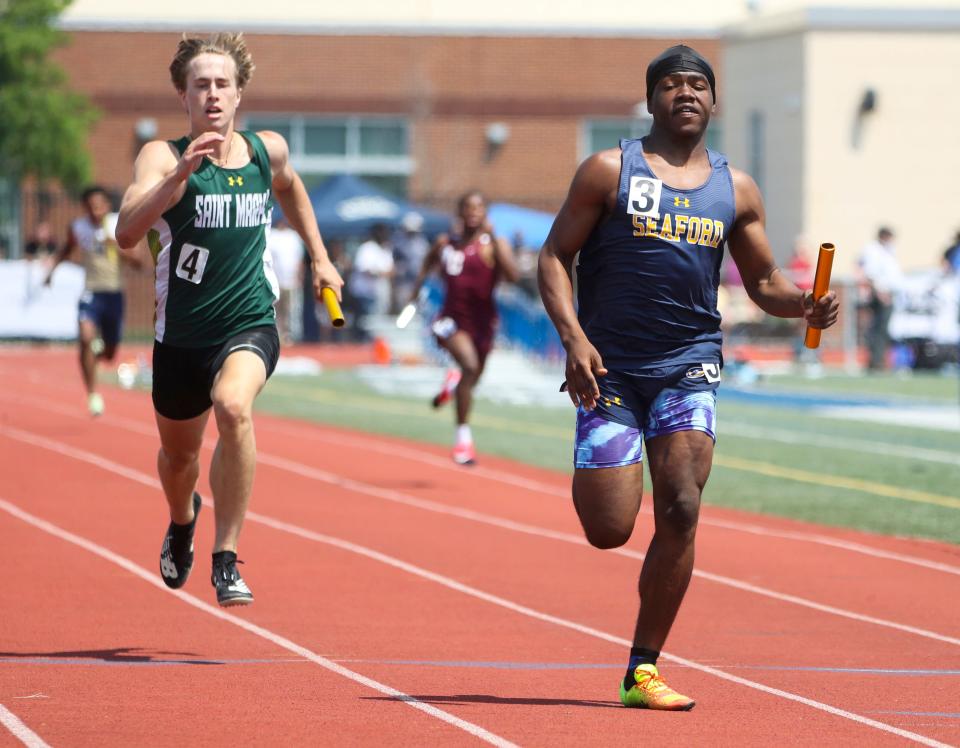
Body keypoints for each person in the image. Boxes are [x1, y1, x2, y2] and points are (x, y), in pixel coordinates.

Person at [537, 44, 838, 710]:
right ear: (651, 101)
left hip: (689, 365)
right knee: (608, 528)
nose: (686, 94)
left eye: (698, 85)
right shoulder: (608, 171)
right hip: (609, 369)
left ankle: (642, 669)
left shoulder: (737, 188)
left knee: (680, 506)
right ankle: (603, 455)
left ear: (713, 101)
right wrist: (574, 339)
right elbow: (555, 257)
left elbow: (763, 280)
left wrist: (803, 305)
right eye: (671, 85)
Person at [114, 33, 343, 607]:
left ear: (239, 93)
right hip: (181, 339)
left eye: (223, 84)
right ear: (182, 94)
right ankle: (182, 519)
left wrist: (319, 257)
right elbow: (125, 234)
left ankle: (226, 556)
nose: (212, 95)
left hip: (249, 321)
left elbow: (292, 191)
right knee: (180, 460)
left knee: (234, 407)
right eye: (201, 85)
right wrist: (176, 180)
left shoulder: (268, 152)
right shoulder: (161, 157)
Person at [408, 191, 519, 465]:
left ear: (485, 213)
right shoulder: (445, 243)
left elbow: (514, 276)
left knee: (472, 379)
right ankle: (463, 443)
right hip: (450, 320)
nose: (473, 212)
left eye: (479, 208)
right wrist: (416, 290)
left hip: (483, 323)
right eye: (467, 208)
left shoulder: (493, 244)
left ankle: (454, 383)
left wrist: (494, 239)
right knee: (469, 367)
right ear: (459, 212)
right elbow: (426, 264)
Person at [45, 186, 142, 416]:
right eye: (90, 206)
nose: (94, 211)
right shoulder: (79, 227)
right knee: (86, 337)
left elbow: (138, 262)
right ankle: (92, 393)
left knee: (110, 353)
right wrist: (51, 271)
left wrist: (116, 247)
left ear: (107, 206)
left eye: (99, 206)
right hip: (91, 291)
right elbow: (67, 250)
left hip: (114, 293)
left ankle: (93, 357)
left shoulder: (119, 224)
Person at [858, 227, 902, 370]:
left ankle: (879, 360)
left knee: (883, 329)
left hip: (888, 293)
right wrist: (880, 293)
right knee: (878, 329)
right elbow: (871, 274)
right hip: (880, 294)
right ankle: (876, 361)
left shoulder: (888, 250)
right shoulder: (873, 250)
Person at [348, 223, 394, 338]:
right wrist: (379, 273)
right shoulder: (367, 248)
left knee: (376, 324)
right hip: (364, 293)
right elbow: (364, 269)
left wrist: (380, 273)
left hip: (378, 293)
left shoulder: (385, 249)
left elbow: (391, 271)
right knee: (364, 323)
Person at [266, 216, 305, 344]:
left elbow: (300, 259)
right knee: (277, 310)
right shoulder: (272, 235)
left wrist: (299, 276)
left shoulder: (294, 237)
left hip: (291, 281)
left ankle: (290, 336)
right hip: (276, 280)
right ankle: (277, 334)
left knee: (291, 310)